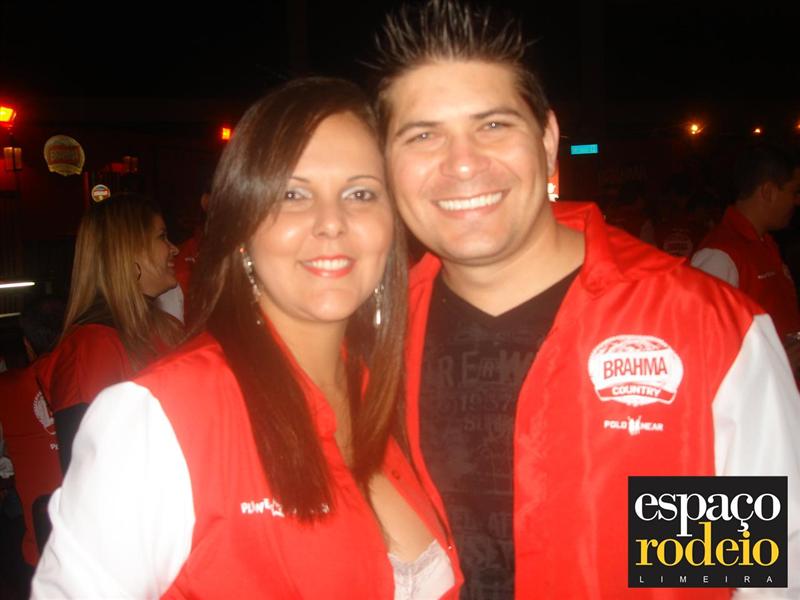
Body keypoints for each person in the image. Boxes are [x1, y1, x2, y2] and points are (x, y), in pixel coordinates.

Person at [371, 1, 800, 597]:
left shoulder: (699, 330)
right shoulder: (373, 342)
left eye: (493, 126)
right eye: (423, 135)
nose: (462, 163)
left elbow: (765, 577)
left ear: (547, 140)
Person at [32, 77, 458, 599]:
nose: (332, 222)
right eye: (292, 194)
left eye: (361, 193)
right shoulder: (159, 419)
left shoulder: (395, 397)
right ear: (241, 233)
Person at [45, 193, 183, 474]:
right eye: (162, 237)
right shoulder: (91, 348)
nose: (175, 249)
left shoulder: (169, 329)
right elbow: (90, 474)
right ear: (128, 251)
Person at [692, 144, 800, 373]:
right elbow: (699, 347)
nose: (796, 201)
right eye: (794, 192)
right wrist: (772, 368)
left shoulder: (764, 244)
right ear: (768, 191)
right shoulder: (720, 255)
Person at [0, 296, 64, 572]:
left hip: (40, 552)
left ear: (27, 344)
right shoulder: (100, 379)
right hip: (99, 550)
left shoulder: (6, 390)